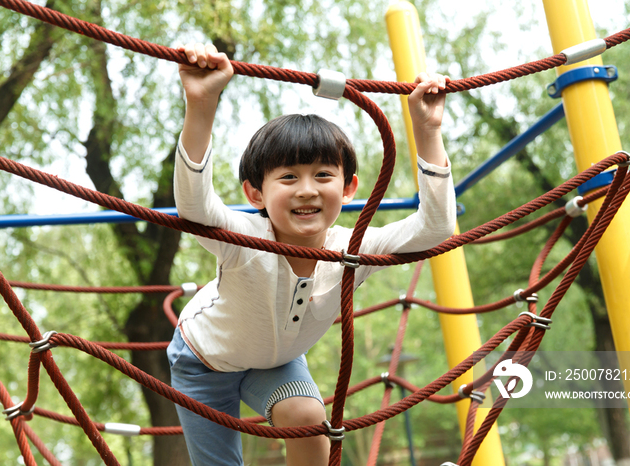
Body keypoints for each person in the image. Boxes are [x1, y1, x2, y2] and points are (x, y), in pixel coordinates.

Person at [167, 42, 456, 466]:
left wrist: (427, 132)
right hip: (204, 363)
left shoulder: (354, 249)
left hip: (278, 362)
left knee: (307, 417)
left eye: (323, 175)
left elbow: (434, 228)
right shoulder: (245, 237)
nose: (307, 189)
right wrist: (202, 103)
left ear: (349, 187)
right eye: (288, 177)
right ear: (255, 193)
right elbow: (194, 207)